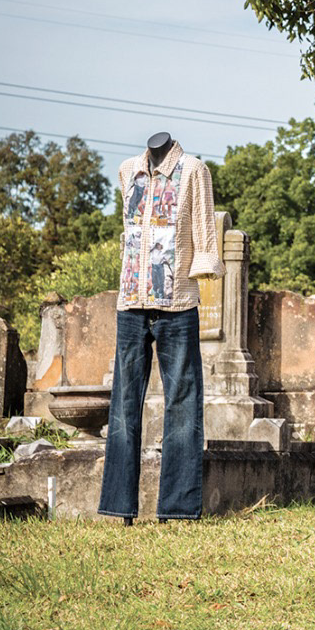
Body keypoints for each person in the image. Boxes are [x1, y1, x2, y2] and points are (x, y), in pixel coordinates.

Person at [100, 132, 223, 523]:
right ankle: (119, 506)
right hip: (130, 302)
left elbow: (204, 226)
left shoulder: (193, 171)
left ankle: (179, 507)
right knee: (122, 405)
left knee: (182, 405)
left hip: (178, 302)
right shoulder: (126, 171)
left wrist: (206, 264)